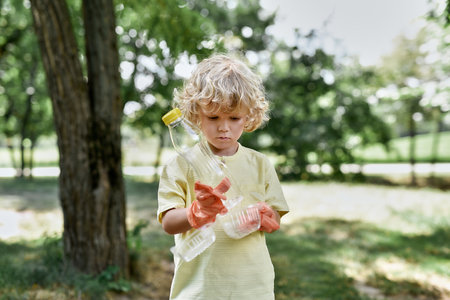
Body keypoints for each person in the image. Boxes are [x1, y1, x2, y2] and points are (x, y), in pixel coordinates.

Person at [157, 53, 290, 300]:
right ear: (196, 114)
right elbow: (168, 222)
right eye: (214, 117)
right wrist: (195, 212)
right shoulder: (180, 165)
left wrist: (266, 216)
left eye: (234, 118)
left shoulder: (260, 164)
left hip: (252, 288)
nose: (224, 127)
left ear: (249, 116)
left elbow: (275, 217)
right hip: (199, 290)